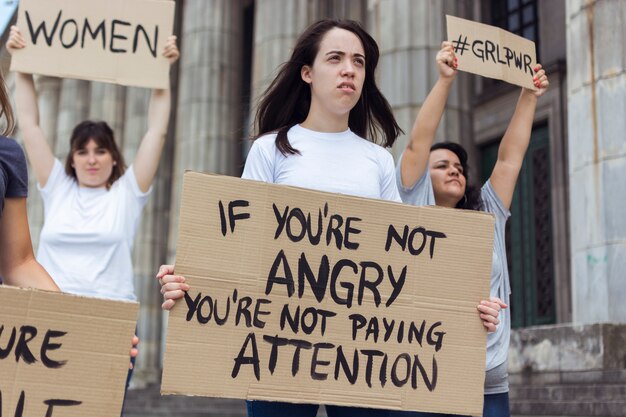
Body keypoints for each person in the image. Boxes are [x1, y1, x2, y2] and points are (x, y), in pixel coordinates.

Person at [156, 19, 503, 417]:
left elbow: (403, 260)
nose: (349, 70)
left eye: (358, 61)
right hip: (276, 344)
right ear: (307, 72)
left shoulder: (377, 160)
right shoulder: (271, 150)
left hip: (364, 351)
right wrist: (190, 280)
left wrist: (465, 307)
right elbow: (240, 243)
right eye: (335, 58)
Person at [393, 41, 549, 417]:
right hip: (426, 376)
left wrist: (529, 96)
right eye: (442, 165)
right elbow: (418, 143)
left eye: (460, 167)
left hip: (488, 382)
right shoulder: (414, 212)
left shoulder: (487, 215)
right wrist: (445, 81)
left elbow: (511, 158)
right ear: (420, 179)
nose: (455, 170)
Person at [6, 25, 179, 302]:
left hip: (112, 309)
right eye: (82, 152)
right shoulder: (56, 186)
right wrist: (22, 63)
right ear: (72, 160)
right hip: (51, 307)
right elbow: (30, 124)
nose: (92, 159)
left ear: (113, 158)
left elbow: (156, 132)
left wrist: (163, 69)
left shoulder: (127, 193)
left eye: (100, 151)